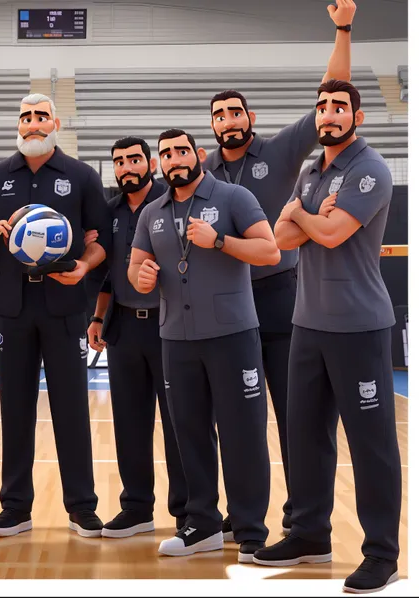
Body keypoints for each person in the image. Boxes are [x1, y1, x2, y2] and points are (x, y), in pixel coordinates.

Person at [202, 0, 356, 541]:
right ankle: (241, 516)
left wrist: (342, 28)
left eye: (235, 111)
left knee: (297, 419)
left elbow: (331, 92)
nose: (228, 120)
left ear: (251, 118)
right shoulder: (201, 170)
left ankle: (305, 523)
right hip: (225, 307)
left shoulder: (284, 149)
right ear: (212, 126)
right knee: (235, 421)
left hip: (281, 297)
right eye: (219, 114)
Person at [252, 79, 402, 595]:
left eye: (340, 107)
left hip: (358, 326)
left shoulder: (370, 170)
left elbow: (333, 234)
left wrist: (301, 215)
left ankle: (382, 552)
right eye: (322, 107)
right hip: (307, 323)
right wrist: (306, 217)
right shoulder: (313, 171)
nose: (329, 114)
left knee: (371, 445)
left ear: (356, 116)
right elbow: (281, 237)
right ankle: (310, 535)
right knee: (306, 436)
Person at [0, 93, 111, 538]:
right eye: (26, 117)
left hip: (65, 309)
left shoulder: (80, 176)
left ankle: (82, 507)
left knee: (71, 410)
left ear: (55, 122)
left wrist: (83, 265)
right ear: (18, 126)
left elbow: (102, 242)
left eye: (41, 116)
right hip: (11, 310)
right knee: (16, 409)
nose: (33, 123)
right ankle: (15, 508)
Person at [130, 128, 280, 560]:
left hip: (232, 336)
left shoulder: (234, 198)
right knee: (189, 434)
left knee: (243, 433)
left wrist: (218, 240)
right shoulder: (152, 212)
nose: (175, 160)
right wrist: (140, 277)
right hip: (176, 337)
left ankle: (250, 528)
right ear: (159, 164)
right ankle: (202, 525)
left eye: (182, 151)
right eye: (166, 155)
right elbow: (137, 266)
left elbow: (269, 252)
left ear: (198, 154)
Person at [86, 136, 188, 538]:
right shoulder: (110, 212)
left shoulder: (173, 201)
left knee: (181, 421)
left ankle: (188, 511)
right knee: (129, 421)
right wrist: (97, 317)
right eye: (119, 162)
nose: (127, 168)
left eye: (134, 160)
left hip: (170, 327)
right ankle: (137, 508)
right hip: (124, 327)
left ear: (150, 162)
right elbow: (109, 274)